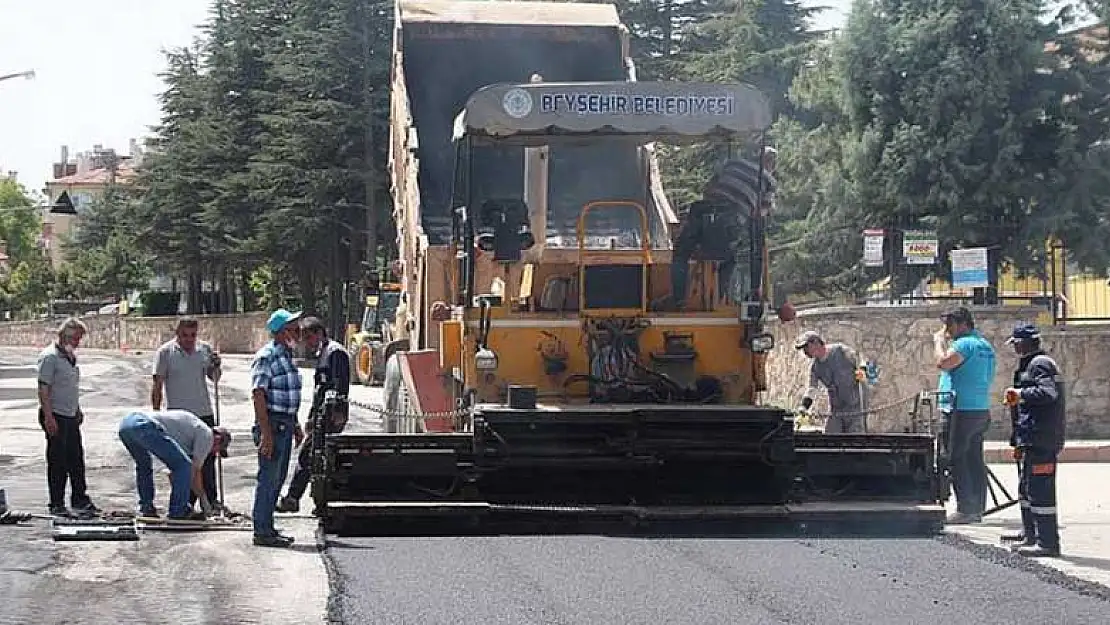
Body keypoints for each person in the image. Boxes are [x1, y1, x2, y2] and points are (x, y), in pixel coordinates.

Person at [1002, 323, 1065, 557]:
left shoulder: (1041, 365)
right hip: (1030, 438)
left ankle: (1048, 543)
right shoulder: (1028, 365)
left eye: (1017, 343)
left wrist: (1020, 394)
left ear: (1028, 342)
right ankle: (1031, 534)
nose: (1015, 347)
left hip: (1042, 439)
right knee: (1027, 489)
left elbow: (1048, 394)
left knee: (1041, 492)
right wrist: (1017, 440)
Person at [276, 316, 351, 514]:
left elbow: (339, 384)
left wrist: (338, 411)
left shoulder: (335, 353)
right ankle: (316, 501)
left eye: (309, 337)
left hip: (331, 413)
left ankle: (295, 498)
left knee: (310, 456)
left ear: (319, 333)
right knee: (316, 457)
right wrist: (311, 416)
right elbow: (319, 389)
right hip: (321, 413)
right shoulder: (323, 353)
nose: (307, 342)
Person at [151, 316, 223, 513]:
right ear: (177, 334)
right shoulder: (165, 353)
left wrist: (216, 366)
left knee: (207, 460)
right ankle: (185, 501)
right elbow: (157, 385)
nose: (189, 340)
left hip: (203, 412)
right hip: (178, 416)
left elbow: (214, 378)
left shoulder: (204, 349)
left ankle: (211, 500)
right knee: (183, 461)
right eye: (185, 335)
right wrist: (156, 414)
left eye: (193, 335)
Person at [934, 306, 997, 524]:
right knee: (974, 459)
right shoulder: (985, 345)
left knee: (956, 458)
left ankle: (966, 509)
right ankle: (977, 506)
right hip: (980, 408)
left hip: (960, 409)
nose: (947, 330)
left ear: (962, 324)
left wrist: (939, 343)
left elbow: (943, 363)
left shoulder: (963, 344)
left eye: (950, 325)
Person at [250, 308, 305, 548]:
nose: (298, 332)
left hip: (285, 423)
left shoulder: (286, 355)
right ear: (281, 332)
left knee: (278, 479)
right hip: (272, 424)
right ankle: (262, 531)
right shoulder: (267, 356)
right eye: (294, 328)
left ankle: (268, 526)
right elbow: (259, 394)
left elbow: (287, 394)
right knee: (269, 479)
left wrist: (296, 425)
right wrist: (266, 434)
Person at [117, 409, 231, 519]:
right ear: (218, 438)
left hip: (127, 424)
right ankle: (178, 512)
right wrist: (203, 500)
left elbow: (173, 474)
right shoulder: (207, 436)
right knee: (185, 466)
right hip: (145, 425)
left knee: (144, 466)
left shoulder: (190, 432)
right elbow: (194, 471)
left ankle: (146, 508)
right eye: (217, 450)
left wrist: (181, 494)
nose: (214, 453)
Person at [37, 317, 99, 517]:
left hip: (70, 414)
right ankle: (56, 502)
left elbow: (70, 387)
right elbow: (44, 389)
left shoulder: (69, 357)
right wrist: (48, 417)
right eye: (76, 338)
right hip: (55, 414)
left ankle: (80, 499)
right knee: (58, 461)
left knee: (76, 459)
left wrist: (77, 409)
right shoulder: (50, 357)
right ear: (66, 336)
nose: (78, 342)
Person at [795, 330, 868, 434]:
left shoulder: (840, 350)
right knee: (830, 437)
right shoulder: (815, 368)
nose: (805, 352)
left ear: (816, 343)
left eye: (806, 347)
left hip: (855, 407)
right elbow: (812, 389)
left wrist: (862, 370)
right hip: (836, 410)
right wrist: (804, 407)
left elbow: (859, 358)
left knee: (855, 440)